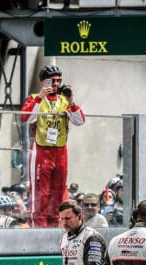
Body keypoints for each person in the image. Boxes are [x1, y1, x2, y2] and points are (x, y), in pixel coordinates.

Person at [21, 65, 85, 228]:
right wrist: (40, 97)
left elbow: (80, 121)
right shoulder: (35, 97)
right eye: (52, 81)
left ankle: (55, 228)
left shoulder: (64, 99)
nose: (56, 84)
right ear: (43, 82)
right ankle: (39, 231)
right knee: (41, 195)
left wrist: (71, 101)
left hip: (61, 150)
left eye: (58, 80)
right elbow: (26, 118)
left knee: (58, 195)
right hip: (42, 150)